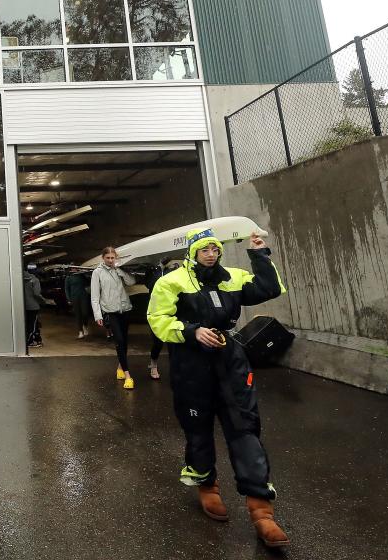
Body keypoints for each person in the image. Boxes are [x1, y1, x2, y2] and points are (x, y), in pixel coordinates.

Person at [148, 229, 289, 548]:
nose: (211, 254)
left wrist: (259, 254)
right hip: (191, 363)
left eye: (215, 249)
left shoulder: (233, 277)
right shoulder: (171, 282)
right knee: (198, 430)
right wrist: (192, 331)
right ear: (193, 252)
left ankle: (261, 510)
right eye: (205, 249)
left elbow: (269, 288)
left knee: (244, 427)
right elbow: (157, 319)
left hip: (230, 360)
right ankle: (207, 486)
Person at [90, 246, 137, 389]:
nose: (110, 260)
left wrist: (120, 271)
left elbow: (131, 282)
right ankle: (128, 376)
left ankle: (120, 367)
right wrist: (98, 314)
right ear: (102, 258)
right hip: (111, 311)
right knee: (119, 341)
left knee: (125, 341)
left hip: (125, 309)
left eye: (112, 258)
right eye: (108, 258)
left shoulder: (119, 270)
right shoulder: (97, 273)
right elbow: (94, 296)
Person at [22, 263, 45, 350]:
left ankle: (37, 339)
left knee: (30, 323)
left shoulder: (20, 279)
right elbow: (36, 294)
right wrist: (43, 301)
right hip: (33, 306)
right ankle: (30, 342)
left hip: (23, 306)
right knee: (33, 324)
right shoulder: (35, 280)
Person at [65, 270, 90, 339]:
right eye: (72, 268)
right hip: (74, 297)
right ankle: (80, 332)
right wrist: (68, 299)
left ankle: (85, 326)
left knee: (85, 313)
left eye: (75, 268)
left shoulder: (81, 276)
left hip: (84, 297)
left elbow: (88, 283)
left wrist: (86, 275)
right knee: (78, 314)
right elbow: (66, 289)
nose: (74, 269)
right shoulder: (69, 277)